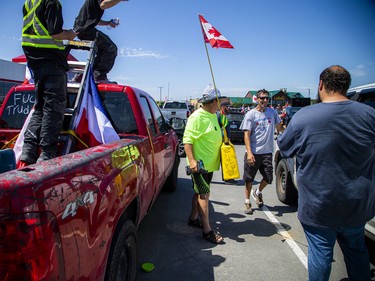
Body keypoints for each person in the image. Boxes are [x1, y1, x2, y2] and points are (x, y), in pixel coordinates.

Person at [277, 65, 375, 281]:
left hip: (318, 206)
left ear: (320, 84)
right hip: (357, 205)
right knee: (357, 251)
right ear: (346, 86)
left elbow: (284, 148)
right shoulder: (370, 115)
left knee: (320, 254)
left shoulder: (304, 117)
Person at [19, 0, 76, 164]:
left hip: (35, 62)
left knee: (40, 107)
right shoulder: (51, 2)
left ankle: (28, 149)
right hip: (51, 61)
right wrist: (72, 34)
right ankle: (47, 151)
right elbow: (55, 33)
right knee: (53, 107)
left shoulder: (29, 2)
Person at [183, 86, 225, 244]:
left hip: (210, 165)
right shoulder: (197, 117)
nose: (219, 104)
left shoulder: (213, 115)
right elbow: (187, 140)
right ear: (213, 101)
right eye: (218, 101)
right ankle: (207, 230)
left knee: (198, 192)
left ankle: (193, 218)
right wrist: (192, 161)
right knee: (204, 195)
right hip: (199, 166)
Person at [239, 89, 284, 214]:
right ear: (257, 99)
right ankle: (247, 201)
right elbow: (246, 135)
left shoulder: (272, 112)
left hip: (267, 152)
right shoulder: (251, 115)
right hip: (253, 152)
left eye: (266, 98)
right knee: (249, 178)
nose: (265, 100)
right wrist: (249, 152)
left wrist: (291, 129)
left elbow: (280, 127)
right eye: (262, 98)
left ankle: (257, 192)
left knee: (268, 178)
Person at [73, 0, 126, 84]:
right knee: (111, 48)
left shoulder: (92, 5)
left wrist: (108, 23)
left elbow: (94, 20)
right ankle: (98, 76)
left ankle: (82, 76)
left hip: (83, 28)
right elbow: (103, 5)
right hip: (86, 30)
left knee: (102, 49)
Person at [217, 101, 238, 185]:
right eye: (228, 107)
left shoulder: (225, 116)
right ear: (223, 107)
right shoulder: (218, 116)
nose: (230, 108)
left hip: (225, 140)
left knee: (226, 160)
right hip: (220, 141)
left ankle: (228, 178)